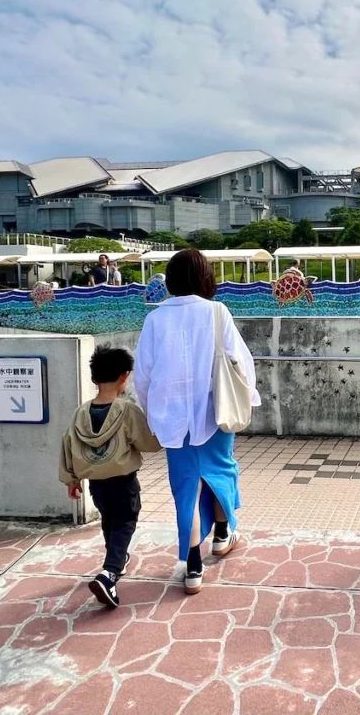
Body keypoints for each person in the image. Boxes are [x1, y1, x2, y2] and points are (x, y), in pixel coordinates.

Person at [134, 249, 260, 595]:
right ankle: (222, 536)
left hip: (174, 420)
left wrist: (152, 415)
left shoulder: (155, 319)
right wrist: (248, 399)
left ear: (171, 280)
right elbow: (240, 362)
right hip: (215, 412)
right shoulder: (217, 311)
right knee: (221, 470)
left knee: (187, 487)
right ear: (205, 277)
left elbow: (143, 376)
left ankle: (193, 566)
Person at [60, 346, 161, 608]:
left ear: (94, 378)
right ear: (124, 377)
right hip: (123, 480)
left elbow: (68, 445)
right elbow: (149, 443)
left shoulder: (81, 412)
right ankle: (109, 574)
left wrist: (72, 479)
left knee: (109, 520)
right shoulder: (126, 410)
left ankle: (116, 560)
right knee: (125, 522)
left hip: (96, 485)